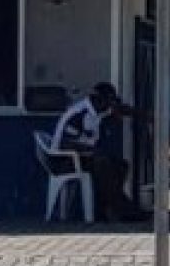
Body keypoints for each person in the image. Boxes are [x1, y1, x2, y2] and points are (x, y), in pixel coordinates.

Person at [51, 83, 144, 223]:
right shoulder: (79, 113)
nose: (111, 106)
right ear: (98, 100)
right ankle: (124, 210)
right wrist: (92, 151)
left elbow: (122, 109)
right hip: (65, 160)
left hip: (84, 157)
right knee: (103, 164)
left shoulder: (100, 110)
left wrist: (147, 116)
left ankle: (105, 208)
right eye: (109, 101)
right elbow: (66, 144)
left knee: (121, 165)